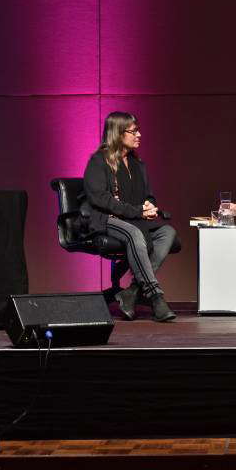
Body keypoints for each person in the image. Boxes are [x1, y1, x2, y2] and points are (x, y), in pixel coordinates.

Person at [83, 112, 178, 322]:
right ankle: (155, 297)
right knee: (133, 232)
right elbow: (101, 199)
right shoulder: (99, 161)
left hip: (134, 219)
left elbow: (148, 195)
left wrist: (149, 205)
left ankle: (132, 291)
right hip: (108, 218)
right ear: (118, 133)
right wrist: (138, 211)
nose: (139, 135)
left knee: (167, 232)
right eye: (134, 131)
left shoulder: (137, 164)